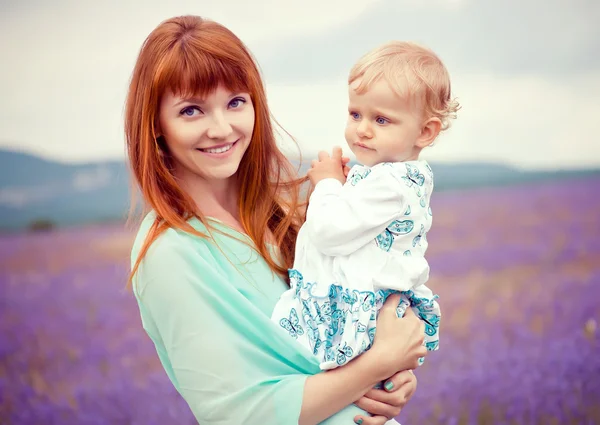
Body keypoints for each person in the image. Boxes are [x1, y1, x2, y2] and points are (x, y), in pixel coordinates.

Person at [126, 16, 427, 425]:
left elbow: (348, 323)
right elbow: (238, 414)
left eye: (235, 102)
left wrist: (392, 378)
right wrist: (373, 367)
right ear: (156, 126)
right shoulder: (168, 252)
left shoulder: (276, 217)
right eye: (191, 110)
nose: (221, 128)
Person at [271, 41, 459, 370]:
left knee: (304, 382)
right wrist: (343, 189)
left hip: (351, 317)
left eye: (382, 120)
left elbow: (330, 232)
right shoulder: (389, 178)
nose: (362, 129)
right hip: (358, 310)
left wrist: (327, 184)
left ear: (425, 132)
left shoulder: (390, 185)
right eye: (355, 114)